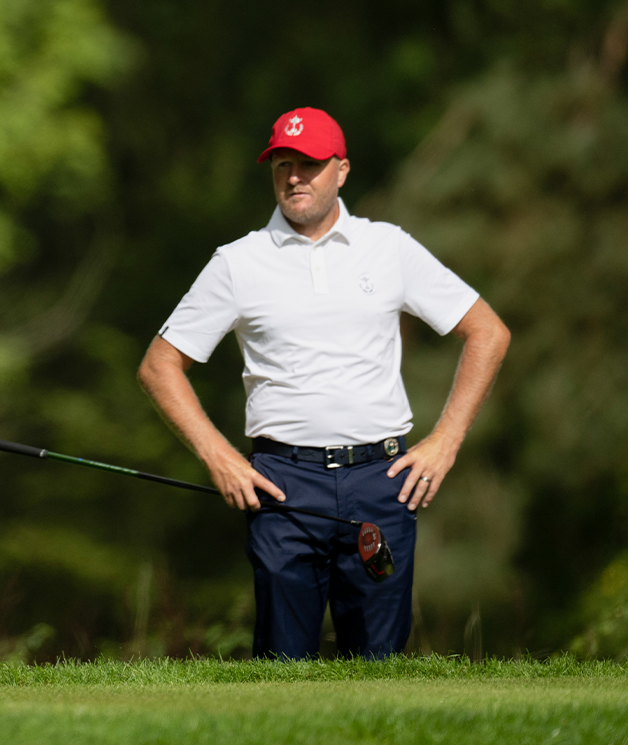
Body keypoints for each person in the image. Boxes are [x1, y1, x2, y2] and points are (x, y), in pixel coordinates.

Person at [137, 107, 510, 659]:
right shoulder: (238, 263)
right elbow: (159, 365)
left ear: (341, 170)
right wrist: (218, 456)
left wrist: (447, 440)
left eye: (308, 164)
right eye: (282, 164)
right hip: (282, 485)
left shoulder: (388, 247)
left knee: (378, 666)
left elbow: (487, 332)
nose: (293, 176)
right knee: (282, 670)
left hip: (382, 486)